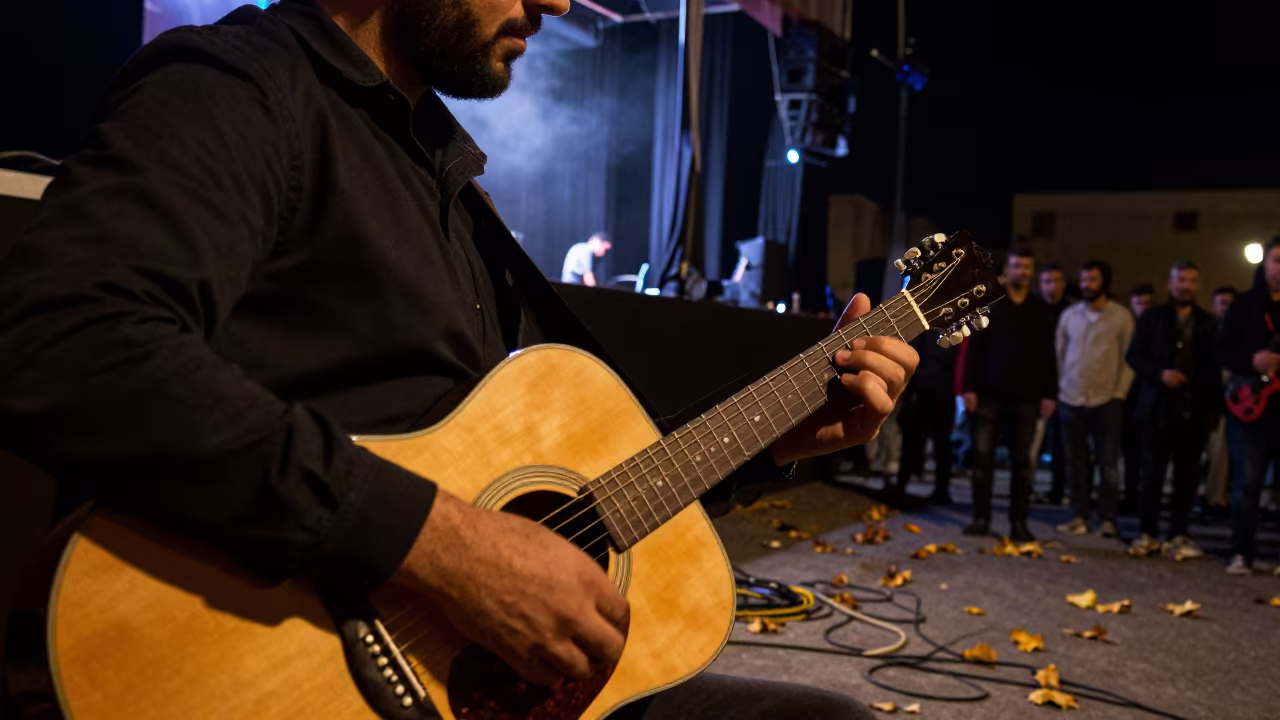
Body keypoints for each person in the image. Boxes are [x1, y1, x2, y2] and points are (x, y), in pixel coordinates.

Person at [0, 2, 919, 717]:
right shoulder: (239, 87)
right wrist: (444, 548)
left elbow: (548, 495)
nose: (557, 3)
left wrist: (777, 440)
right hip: (253, 670)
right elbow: (66, 335)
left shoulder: (443, 181)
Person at [961, 246, 1058, 541]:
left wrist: (1050, 394)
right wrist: (968, 387)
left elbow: (1048, 355)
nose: (1021, 272)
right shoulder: (991, 305)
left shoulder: (1040, 309)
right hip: (989, 394)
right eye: (1016, 266)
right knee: (982, 459)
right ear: (1008, 269)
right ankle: (981, 518)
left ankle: (1019, 522)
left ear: (1032, 271)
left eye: (1026, 267)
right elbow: (974, 350)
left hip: (1027, 397)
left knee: (1022, 464)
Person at [1126, 262, 1221, 559]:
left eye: (1192, 280)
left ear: (1199, 285)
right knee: (1152, 474)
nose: (1186, 286)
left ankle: (1178, 533)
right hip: (1157, 409)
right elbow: (1134, 356)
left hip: (1193, 411)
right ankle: (1148, 533)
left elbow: (1214, 368)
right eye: (1181, 280)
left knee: (1186, 478)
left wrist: (1214, 410)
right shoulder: (1152, 317)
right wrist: (1160, 373)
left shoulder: (1208, 322)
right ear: (1171, 283)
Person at [1055, 260, 1135, 539]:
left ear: (1105, 282)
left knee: (1108, 464)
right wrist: (1062, 386)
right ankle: (1079, 515)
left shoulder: (1121, 316)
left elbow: (1129, 358)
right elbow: (1060, 353)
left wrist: (1119, 392)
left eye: (1093, 280)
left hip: (1106, 399)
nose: (1088, 285)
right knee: (1076, 463)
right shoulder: (1070, 315)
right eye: (1084, 279)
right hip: (1071, 396)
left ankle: (1108, 518)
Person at [1217, 237, 1280, 576]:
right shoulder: (1244, 305)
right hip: (1250, 404)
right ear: (1265, 265)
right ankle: (1242, 551)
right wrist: (1251, 360)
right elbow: (1221, 351)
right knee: (1248, 482)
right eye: (1277, 260)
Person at [893, 330, 959, 504]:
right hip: (932, 390)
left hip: (933, 390)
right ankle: (932, 488)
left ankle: (907, 484)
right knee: (930, 442)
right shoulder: (947, 333)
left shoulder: (933, 333)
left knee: (932, 443)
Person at [1034, 262, 1072, 505]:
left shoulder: (1070, 312)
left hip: (1064, 384)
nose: (1052, 286)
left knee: (1061, 445)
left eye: (1056, 281)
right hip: (1035, 385)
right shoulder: (1034, 309)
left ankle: (1059, 491)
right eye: (1047, 281)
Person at [1120, 283, 1156, 514]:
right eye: (1138, 303)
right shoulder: (1127, 327)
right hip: (1127, 397)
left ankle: (1144, 498)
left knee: (1148, 454)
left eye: (1146, 304)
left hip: (1148, 397)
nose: (1142, 308)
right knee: (1130, 453)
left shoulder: (1156, 328)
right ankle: (1131, 495)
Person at [1203, 286, 1238, 514]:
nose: (1225, 308)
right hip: (1206, 400)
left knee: (1221, 454)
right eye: (1221, 303)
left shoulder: (1238, 333)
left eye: (1229, 303)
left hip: (1230, 402)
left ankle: (1215, 498)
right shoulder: (1206, 331)